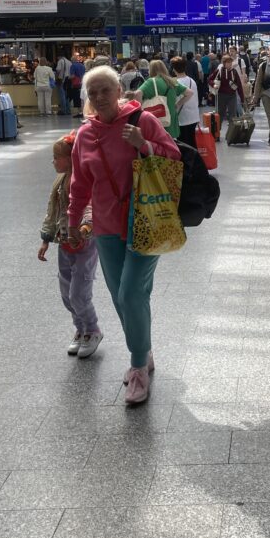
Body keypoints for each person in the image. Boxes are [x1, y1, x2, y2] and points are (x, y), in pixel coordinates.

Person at [67, 66, 181, 403]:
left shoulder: (142, 121)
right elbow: (79, 183)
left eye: (105, 90)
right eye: (93, 93)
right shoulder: (84, 135)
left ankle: (137, 370)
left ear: (119, 90)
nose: (100, 98)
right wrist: (73, 220)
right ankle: (143, 350)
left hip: (145, 220)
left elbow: (174, 157)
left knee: (131, 293)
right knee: (121, 296)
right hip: (105, 226)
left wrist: (144, 145)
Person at [38, 133, 103, 356]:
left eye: (57, 157)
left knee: (79, 291)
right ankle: (80, 328)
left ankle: (92, 329)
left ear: (71, 157)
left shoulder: (84, 179)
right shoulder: (60, 182)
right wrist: (46, 238)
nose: (54, 161)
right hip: (64, 243)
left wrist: (86, 227)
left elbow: (92, 205)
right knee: (66, 292)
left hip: (85, 244)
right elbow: (52, 210)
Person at [138, 59, 187, 140]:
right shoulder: (173, 81)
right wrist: (178, 104)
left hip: (155, 122)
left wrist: (138, 111)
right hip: (171, 124)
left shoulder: (151, 82)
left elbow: (138, 94)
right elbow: (189, 93)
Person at [171, 55, 199, 148]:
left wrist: (178, 104)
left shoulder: (176, 83)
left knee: (184, 146)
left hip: (182, 118)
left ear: (174, 69)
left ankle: (188, 162)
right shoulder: (192, 81)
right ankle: (195, 161)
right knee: (192, 143)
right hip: (194, 116)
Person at [211, 54, 245, 125]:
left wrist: (242, 98)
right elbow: (209, 79)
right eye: (228, 62)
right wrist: (213, 85)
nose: (230, 64)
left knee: (232, 115)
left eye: (230, 62)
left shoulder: (234, 72)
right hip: (221, 96)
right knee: (220, 115)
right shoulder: (219, 71)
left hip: (232, 96)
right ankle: (217, 133)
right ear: (224, 63)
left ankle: (231, 134)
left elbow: (238, 85)